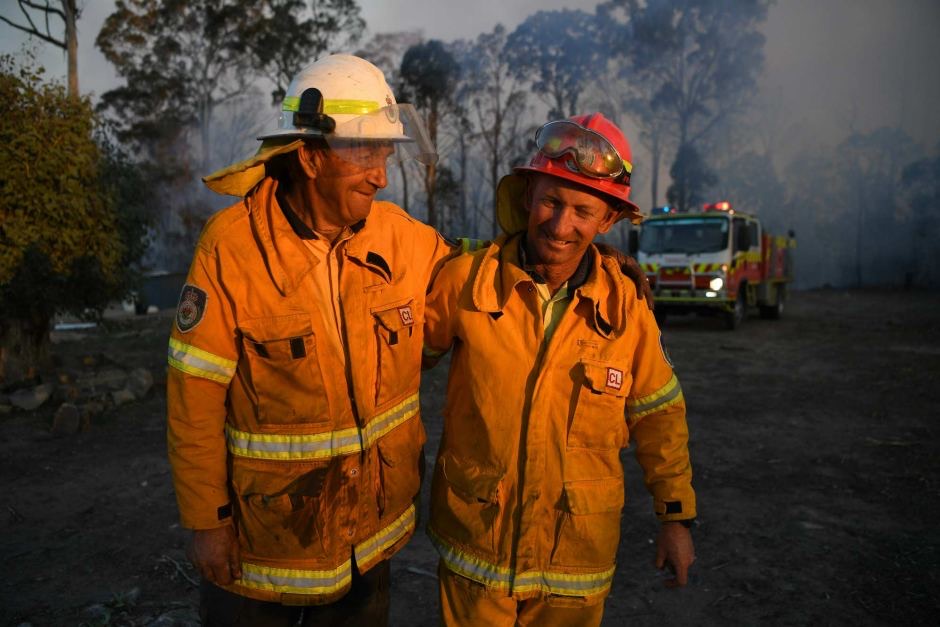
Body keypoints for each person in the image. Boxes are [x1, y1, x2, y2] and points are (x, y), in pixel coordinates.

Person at [166, 54, 453, 624]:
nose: (381, 176)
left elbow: (476, 276)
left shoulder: (402, 239)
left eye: (385, 154)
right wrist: (207, 523)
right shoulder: (231, 250)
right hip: (263, 553)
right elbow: (193, 400)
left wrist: (582, 260)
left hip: (369, 541)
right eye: (365, 153)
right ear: (310, 156)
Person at [422, 113, 696, 626]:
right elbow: (393, 361)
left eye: (583, 211)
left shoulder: (626, 311)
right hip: (477, 550)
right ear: (528, 195)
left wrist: (676, 518)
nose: (560, 225)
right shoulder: (466, 283)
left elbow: (660, 417)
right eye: (551, 201)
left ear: (607, 220)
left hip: (574, 559)